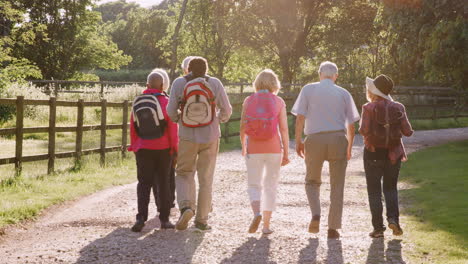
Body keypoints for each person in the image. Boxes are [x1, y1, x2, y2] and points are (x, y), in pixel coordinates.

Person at [292, 61, 360, 239]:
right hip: (338, 138)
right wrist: (349, 147)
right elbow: (351, 126)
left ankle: (316, 214)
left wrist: (298, 140)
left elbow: (300, 118)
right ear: (335, 76)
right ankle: (333, 228)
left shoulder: (308, 89)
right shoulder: (343, 93)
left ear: (320, 74)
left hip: (314, 139)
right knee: (337, 185)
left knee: (312, 181)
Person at [167, 57, 232, 231]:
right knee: (206, 179)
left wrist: (180, 120)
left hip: (187, 135)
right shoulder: (215, 83)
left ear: (188, 69)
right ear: (206, 69)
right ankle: (202, 221)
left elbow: (170, 110)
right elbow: (227, 110)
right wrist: (217, 121)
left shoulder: (179, 83)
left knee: (183, 173)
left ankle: (186, 207)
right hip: (210, 136)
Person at [359, 74, 413, 238]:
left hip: (373, 153)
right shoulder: (399, 107)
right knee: (390, 188)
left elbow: (363, 130)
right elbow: (408, 132)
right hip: (394, 154)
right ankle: (393, 220)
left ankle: (378, 229)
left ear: (374, 91)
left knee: (374, 191)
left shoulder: (368, 108)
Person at [239, 69, 290, 234]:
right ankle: (266, 226)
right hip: (274, 149)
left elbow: (242, 127)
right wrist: (286, 153)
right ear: (274, 84)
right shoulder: (279, 101)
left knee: (254, 184)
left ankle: (257, 213)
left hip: (254, 148)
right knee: (270, 186)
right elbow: (283, 129)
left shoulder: (249, 100)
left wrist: (243, 146)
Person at [128, 70, 178, 232]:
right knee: (163, 182)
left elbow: (133, 127)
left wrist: (134, 146)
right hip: (163, 148)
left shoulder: (137, 101)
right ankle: (164, 219)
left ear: (147, 85)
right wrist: (174, 149)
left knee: (143, 183)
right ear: (162, 85)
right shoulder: (166, 102)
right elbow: (172, 128)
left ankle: (141, 217)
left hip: (143, 148)